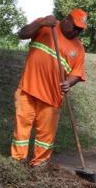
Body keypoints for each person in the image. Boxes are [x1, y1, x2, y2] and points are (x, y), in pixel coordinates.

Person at [10, 9, 87, 167]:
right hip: (27, 89)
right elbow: (22, 34)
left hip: (52, 97)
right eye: (75, 27)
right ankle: (16, 162)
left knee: (45, 137)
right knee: (21, 129)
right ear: (66, 20)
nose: (76, 32)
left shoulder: (79, 49)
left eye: (80, 30)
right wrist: (41, 22)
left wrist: (70, 82)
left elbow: (77, 74)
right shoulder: (46, 26)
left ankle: (39, 165)